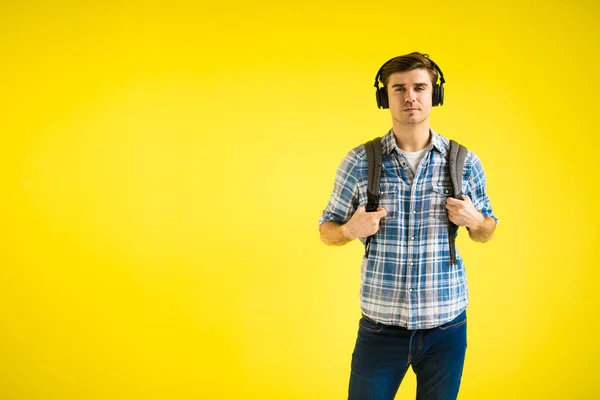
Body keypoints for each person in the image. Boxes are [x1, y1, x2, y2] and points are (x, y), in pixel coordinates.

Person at [318, 52, 498, 400]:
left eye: (419, 87)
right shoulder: (359, 161)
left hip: (446, 326)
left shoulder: (464, 161)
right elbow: (326, 228)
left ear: (434, 95)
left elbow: (487, 229)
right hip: (380, 327)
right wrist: (348, 231)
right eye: (398, 88)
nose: (410, 97)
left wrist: (475, 221)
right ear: (385, 97)